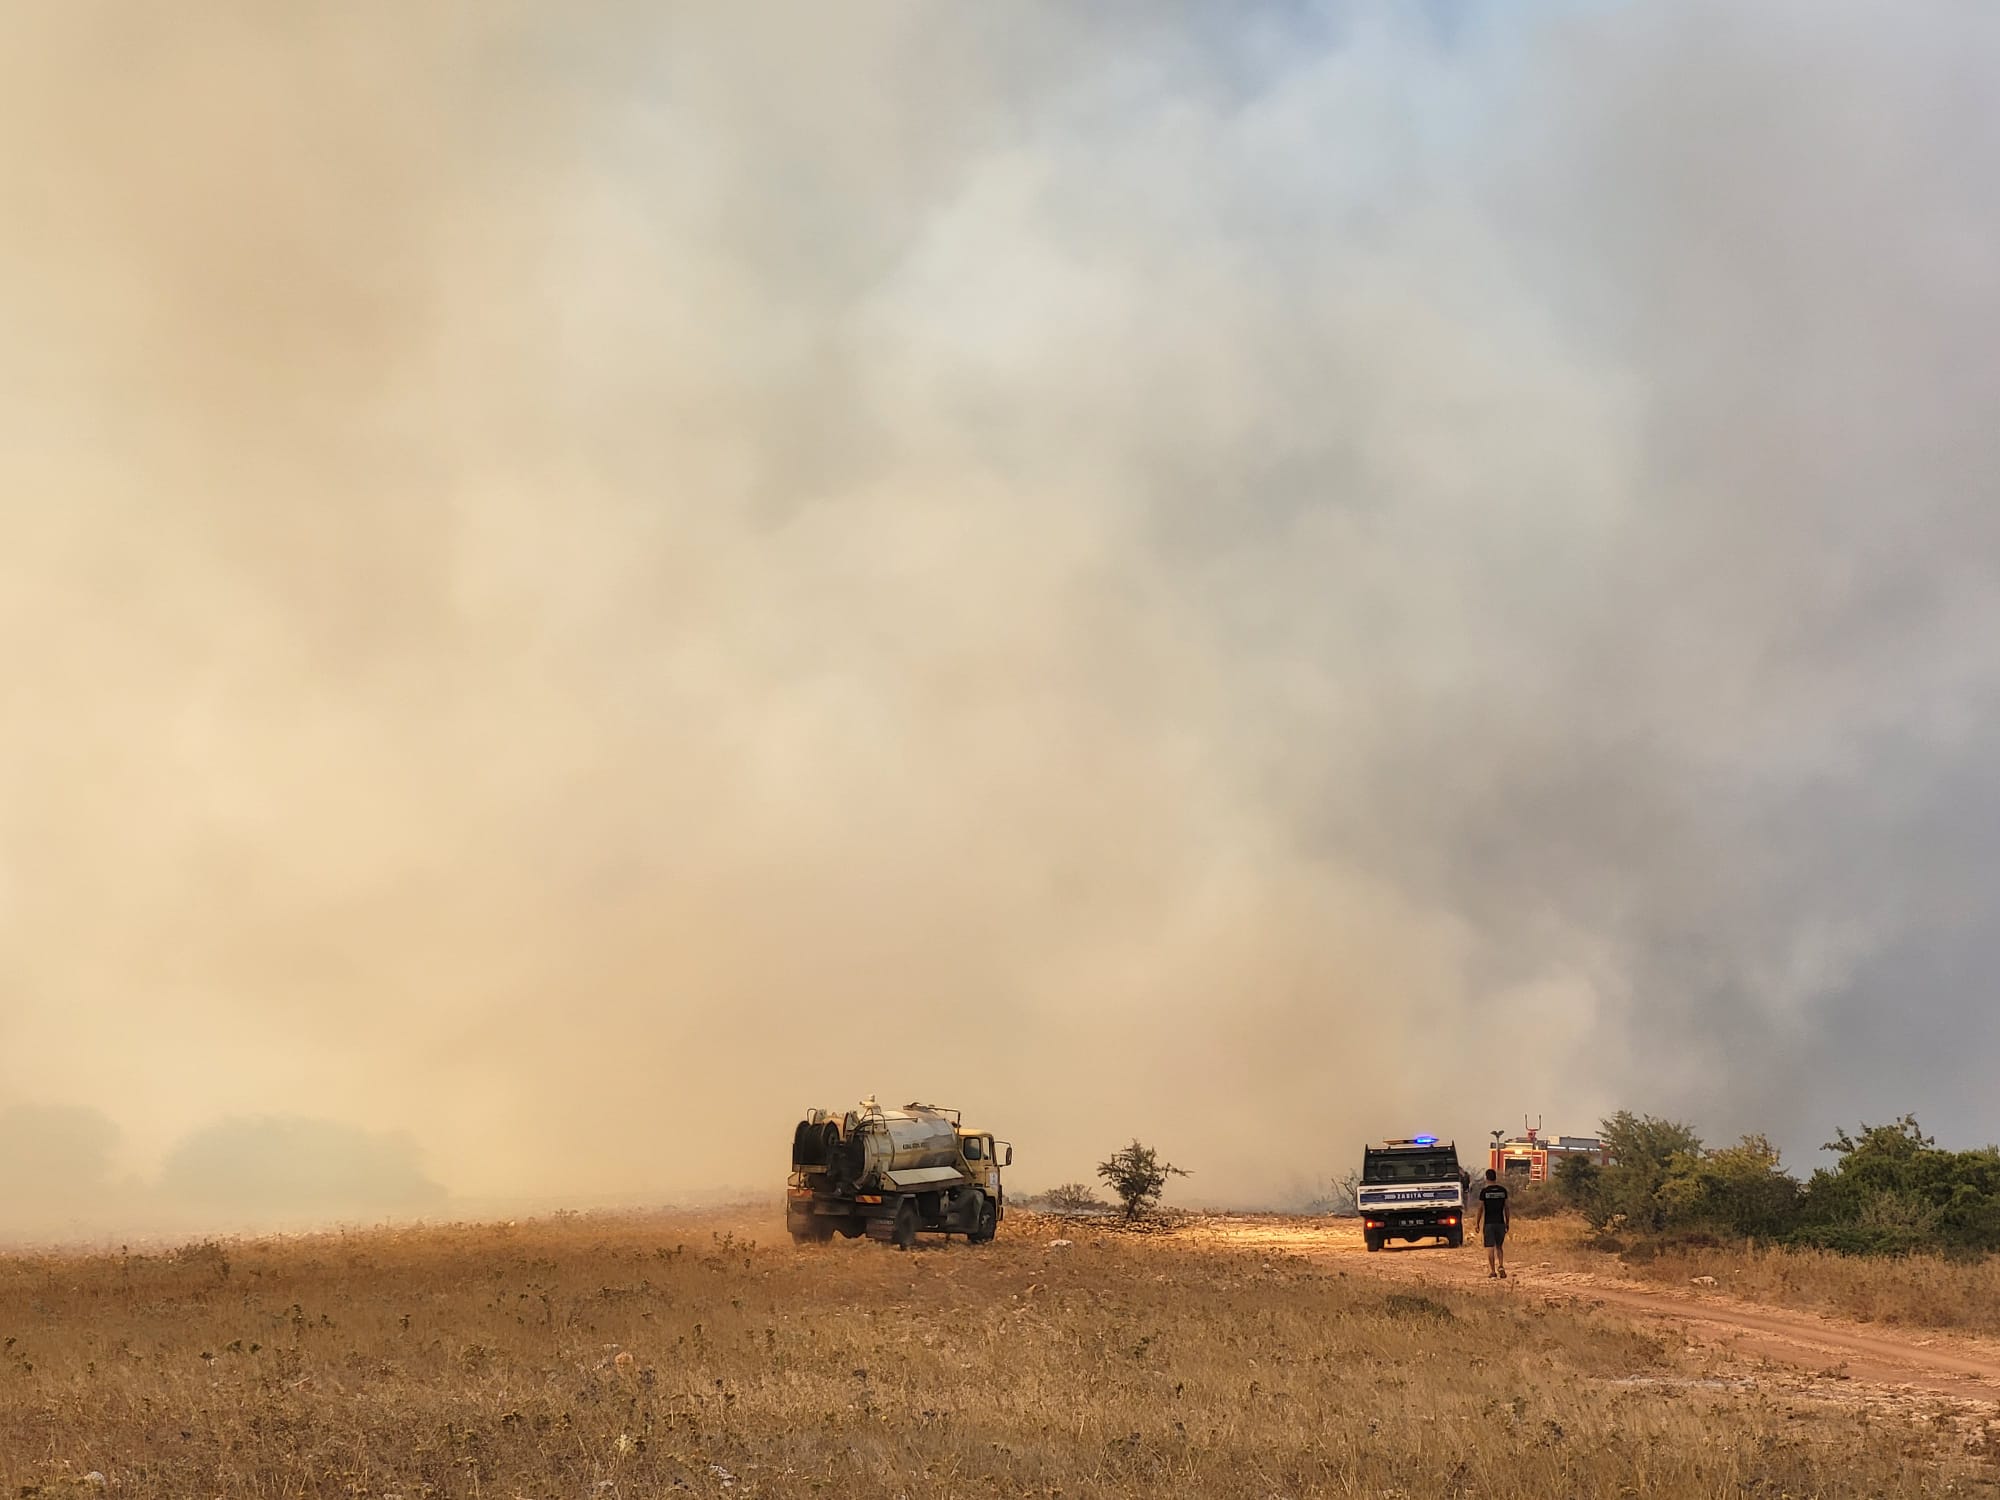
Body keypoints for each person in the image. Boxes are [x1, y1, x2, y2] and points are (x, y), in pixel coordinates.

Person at [1475, 1168, 1510, 1278]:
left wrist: (1477, 1223)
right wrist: (1507, 1222)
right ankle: (1501, 1265)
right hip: (1500, 1222)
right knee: (1499, 1246)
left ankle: (1493, 1271)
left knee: (1490, 1247)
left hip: (1489, 1223)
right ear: (1495, 1177)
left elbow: (1480, 1208)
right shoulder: (1502, 1191)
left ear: (1486, 1178)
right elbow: (1507, 1208)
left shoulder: (1484, 1192)